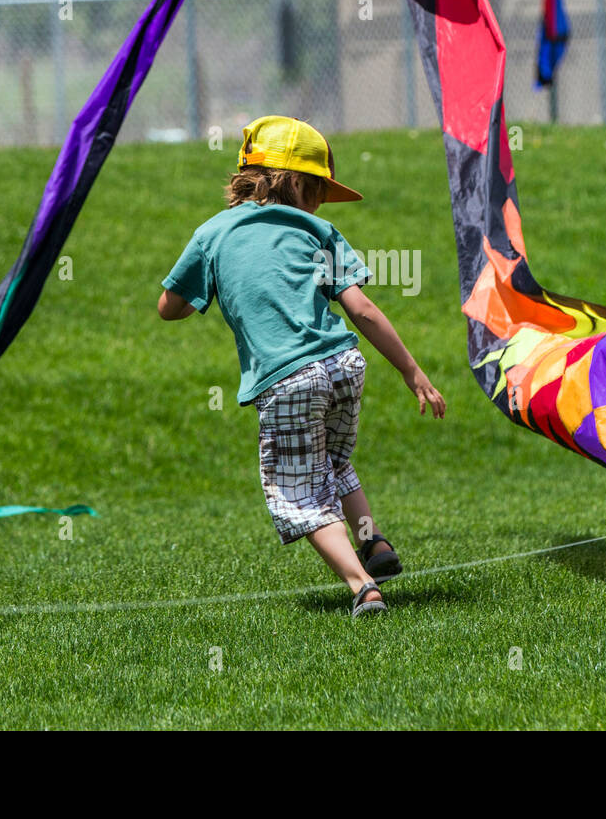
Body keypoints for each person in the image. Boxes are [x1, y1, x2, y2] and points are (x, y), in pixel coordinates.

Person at [158, 116, 446, 617]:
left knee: (296, 490)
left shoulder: (211, 235)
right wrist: (411, 371)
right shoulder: (318, 231)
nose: (318, 203)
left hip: (288, 378)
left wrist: (196, 295)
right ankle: (372, 541)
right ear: (294, 182)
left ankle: (362, 586)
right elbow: (363, 311)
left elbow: (169, 306)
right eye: (317, 190)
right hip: (344, 363)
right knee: (334, 464)